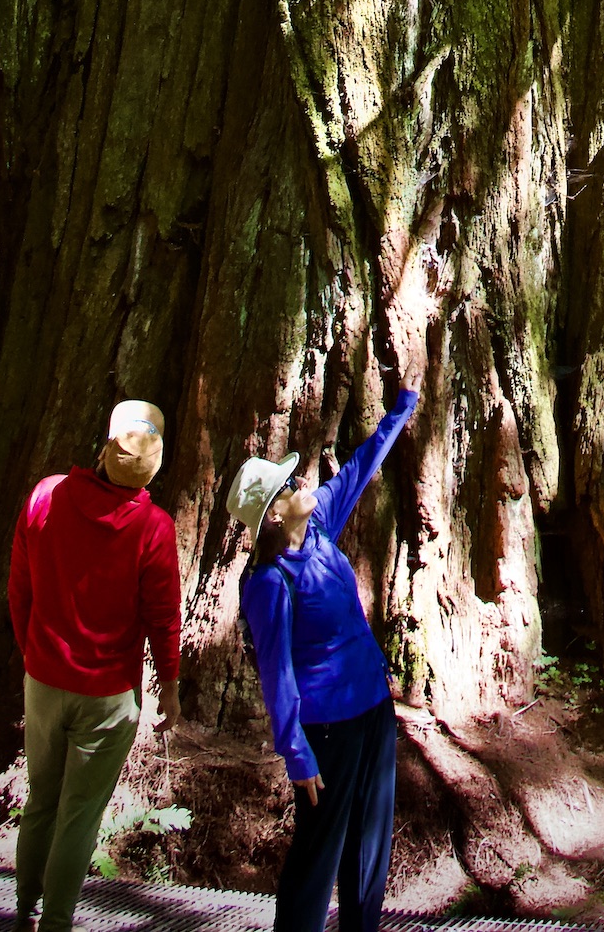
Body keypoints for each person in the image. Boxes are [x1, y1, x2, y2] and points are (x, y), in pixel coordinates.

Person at [228, 378, 419, 932]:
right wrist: (297, 754)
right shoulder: (269, 582)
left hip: (372, 709)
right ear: (272, 515)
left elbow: (360, 468)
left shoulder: (320, 531)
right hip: (326, 733)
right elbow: (276, 675)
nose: (302, 481)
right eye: (288, 484)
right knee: (318, 854)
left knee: (369, 842)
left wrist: (400, 411)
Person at [8, 399, 182, 932]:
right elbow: (163, 618)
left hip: (43, 681)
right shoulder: (153, 528)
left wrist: (34, 654)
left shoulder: (46, 495)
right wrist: (169, 689)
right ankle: (56, 923)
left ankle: (25, 912)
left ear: (106, 451)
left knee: (42, 799)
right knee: (79, 813)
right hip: (107, 696)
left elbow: (20, 588)